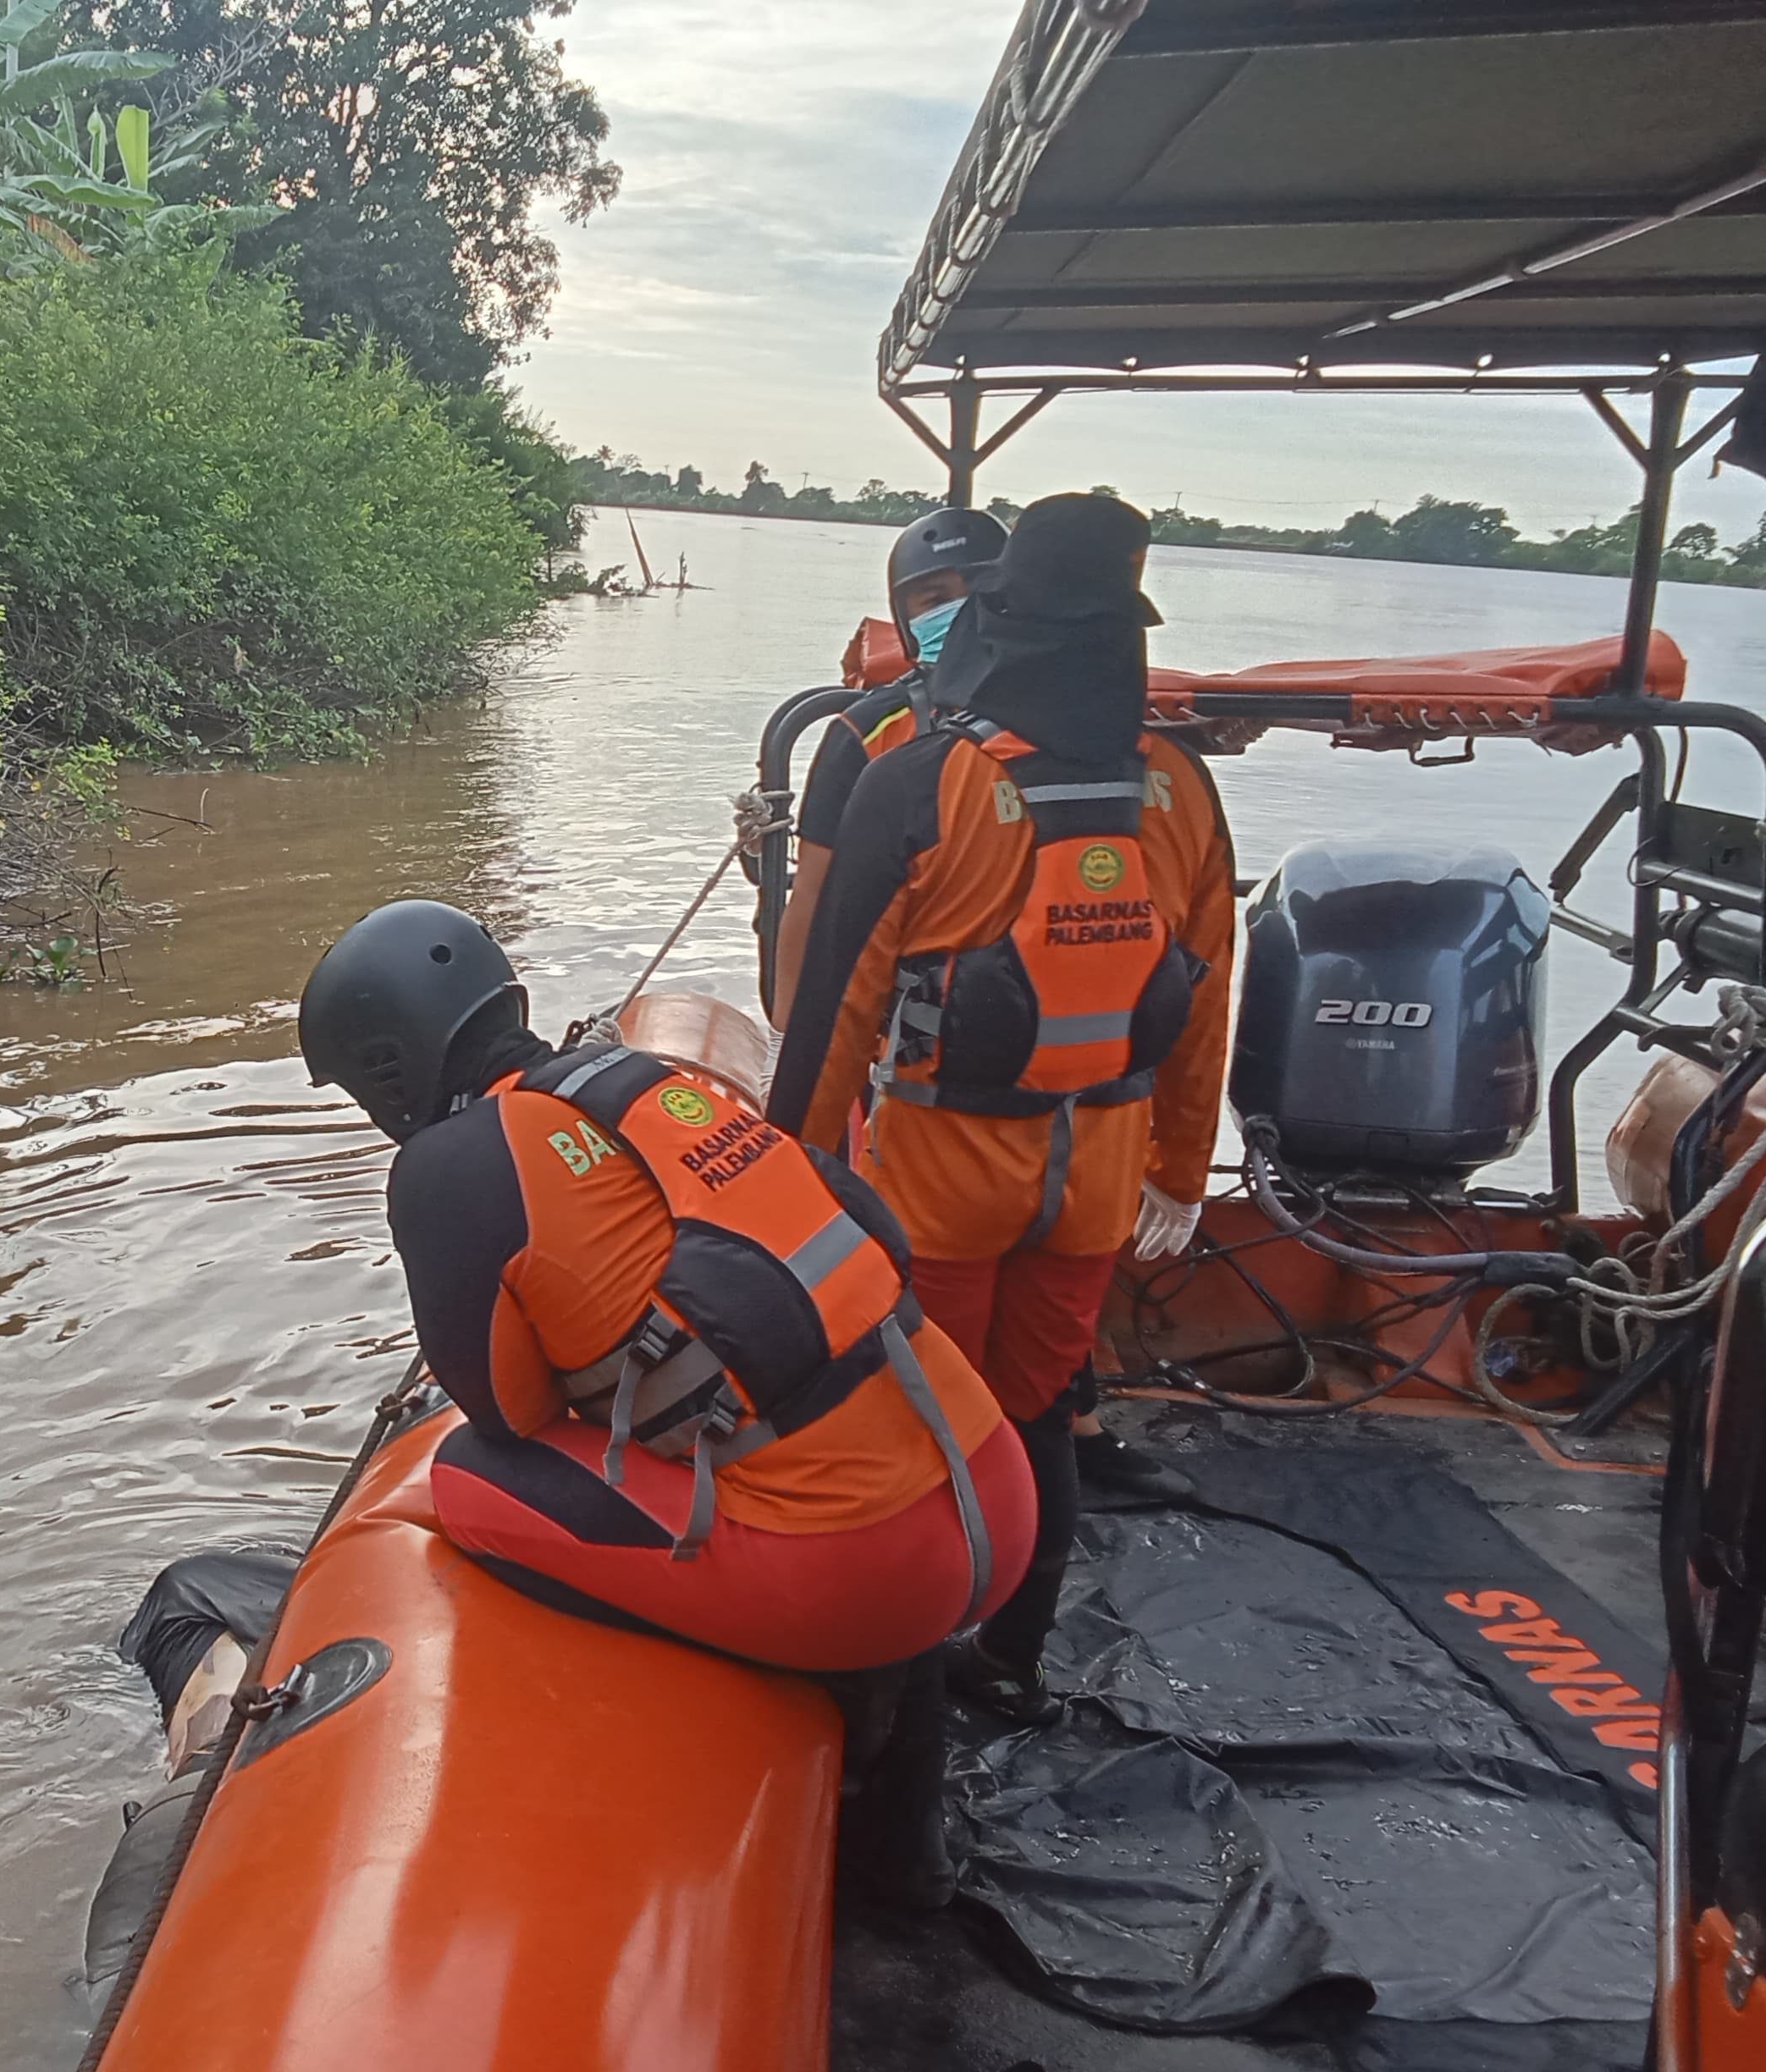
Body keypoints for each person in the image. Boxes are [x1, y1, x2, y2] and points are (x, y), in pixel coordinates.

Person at [298, 899, 1036, 1905]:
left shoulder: (444, 1167)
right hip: (996, 1484)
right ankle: (908, 1847)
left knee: (466, 1483)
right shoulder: (664, 1085)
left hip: (866, 1572)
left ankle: (811, 1731)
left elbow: (506, 1413)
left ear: (384, 1067)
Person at [766, 493, 1235, 1728]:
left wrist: (791, 1186)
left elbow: (831, 1015)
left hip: (943, 1181)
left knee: (928, 1431)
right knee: (1039, 1419)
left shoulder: (920, 782)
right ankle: (1017, 1662)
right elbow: (1203, 997)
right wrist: (1183, 1172)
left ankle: (901, 1700)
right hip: (1095, 1180)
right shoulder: (1181, 788)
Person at [771, 507, 1007, 1032]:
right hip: (916, 1021)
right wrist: (784, 1038)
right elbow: (812, 895)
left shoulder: (1080, 720)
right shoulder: (867, 733)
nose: (963, 612)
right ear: (906, 618)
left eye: (978, 591)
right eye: (936, 600)